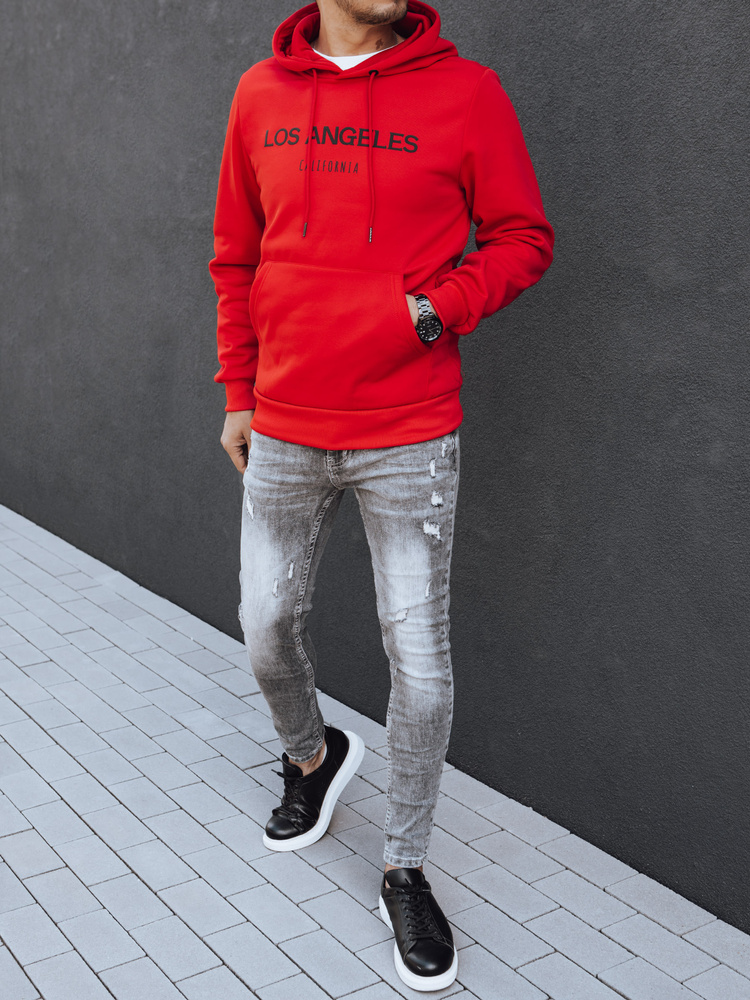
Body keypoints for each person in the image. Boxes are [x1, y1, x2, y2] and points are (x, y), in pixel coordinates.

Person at [209, 0, 554, 990]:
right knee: (265, 625)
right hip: (284, 421)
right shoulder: (260, 94)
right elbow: (236, 254)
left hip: (408, 431)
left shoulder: (466, 93)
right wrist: (239, 390)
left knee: (422, 665)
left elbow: (524, 236)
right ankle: (311, 757)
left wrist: (432, 311)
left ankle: (404, 867)